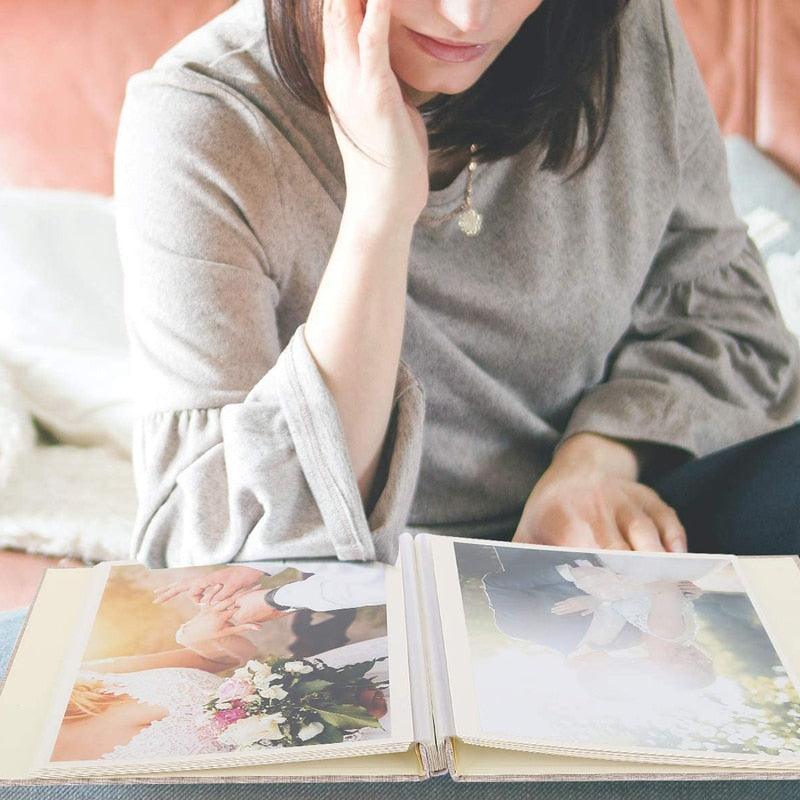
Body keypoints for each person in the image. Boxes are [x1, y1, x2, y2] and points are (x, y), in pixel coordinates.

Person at [114, 0, 800, 570]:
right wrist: (380, 212)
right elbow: (214, 553)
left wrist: (595, 463)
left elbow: (729, 319)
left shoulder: (616, 28)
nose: (470, 18)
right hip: (378, 581)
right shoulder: (202, 123)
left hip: (615, 521)